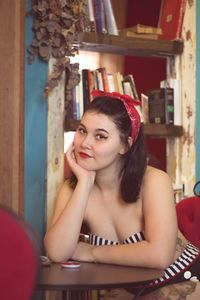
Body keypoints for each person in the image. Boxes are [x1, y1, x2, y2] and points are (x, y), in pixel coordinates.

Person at [44, 90, 200, 295]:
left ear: (125, 145)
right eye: (82, 131)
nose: (85, 143)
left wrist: (91, 252)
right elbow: (56, 252)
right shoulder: (72, 188)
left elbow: (160, 256)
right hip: (129, 292)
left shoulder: (154, 181)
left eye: (100, 136)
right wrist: (84, 182)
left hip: (183, 280)